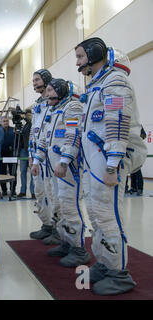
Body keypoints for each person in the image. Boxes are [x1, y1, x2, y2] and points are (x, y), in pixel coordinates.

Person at [75, 37, 147, 295]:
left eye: (81, 57)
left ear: (96, 54)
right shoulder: (97, 85)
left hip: (110, 159)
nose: (78, 63)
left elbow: (117, 121)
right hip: (97, 157)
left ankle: (120, 273)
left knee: (108, 213)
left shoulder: (115, 81)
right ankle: (105, 263)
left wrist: (113, 164)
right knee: (95, 211)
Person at [31, 79, 90, 268]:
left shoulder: (72, 108)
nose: (47, 95)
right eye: (46, 91)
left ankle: (79, 249)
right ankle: (66, 242)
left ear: (60, 91)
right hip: (52, 168)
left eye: (50, 90)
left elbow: (73, 136)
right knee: (58, 205)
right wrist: (37, 161)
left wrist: (64, 161)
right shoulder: (53, 111)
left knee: (69, 206)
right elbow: (44, 140)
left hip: (66, 168)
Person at [28, 69, 55, 241]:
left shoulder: (55, 101)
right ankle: (46, 225)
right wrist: (32, 156)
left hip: (51, 156)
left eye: (37, 79)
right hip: (37, 157)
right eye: (33, 81)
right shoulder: (37, 106)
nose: (35, 83)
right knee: (39, 192)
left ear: (46, 79)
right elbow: (33, 132)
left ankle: (58, 230)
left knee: (52, 193)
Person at [17, 109, 35, 198]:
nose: (27, 117)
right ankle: (23, 191)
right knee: (22, 171)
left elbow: (31, 122)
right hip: (23, 150)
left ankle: (33, 191)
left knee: (32, 171)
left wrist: (25, 117)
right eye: (26, 115)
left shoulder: (33, 124)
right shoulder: (25, 126)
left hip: (31, 150)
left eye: (29, 115)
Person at [0, 116, 16, 196]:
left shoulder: (13, 129)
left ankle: (12, 190)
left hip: (11, 154)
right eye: (4, 121)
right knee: (2, 173)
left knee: (13, 173)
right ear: (1, 122)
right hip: (1, 154)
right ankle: (4, 190)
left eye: (7, 121)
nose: (6, 122)